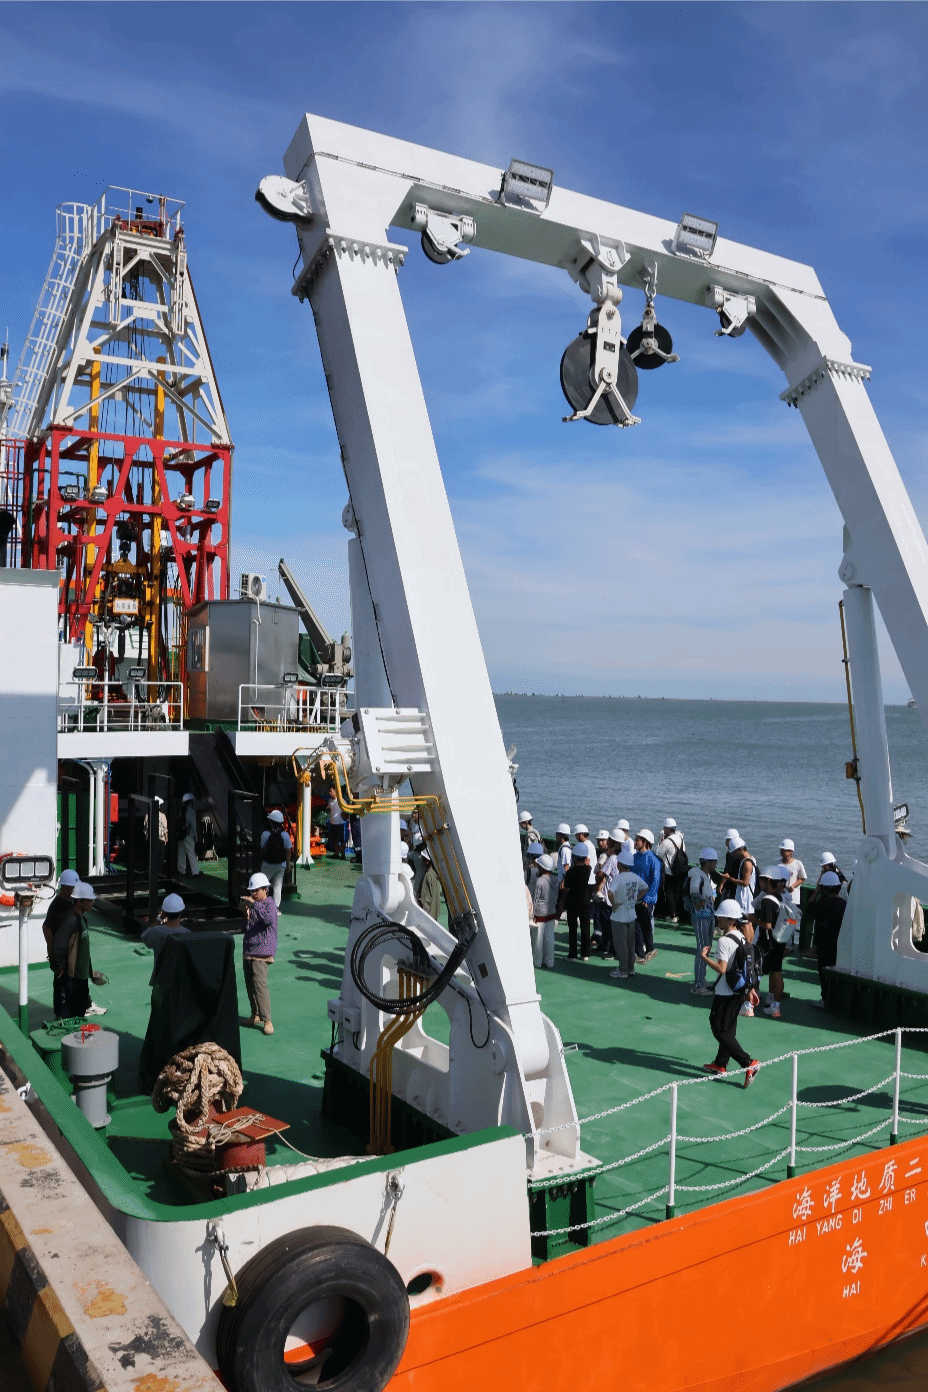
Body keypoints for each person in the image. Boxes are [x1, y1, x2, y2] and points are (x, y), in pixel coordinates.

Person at [700, 899, 760, 1086]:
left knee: (719, 1029)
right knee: (729, 1029)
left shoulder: (724, 941)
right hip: (739, 991)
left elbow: (722, 968)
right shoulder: (742, 938)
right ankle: (720, 1063)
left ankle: (748, 1063)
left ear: (730, 920)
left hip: (725, 993)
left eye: (722, 917)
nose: (718, 919)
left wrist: (704, 958)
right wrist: (750, 990)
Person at [50, 881, 97, 1019]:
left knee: (79, 1011)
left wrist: (89, 972)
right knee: (67, 1014)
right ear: (80, 901)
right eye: (90, 900)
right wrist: (60, 969)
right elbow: (58, 946)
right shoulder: (69, 921)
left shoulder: (81, 919)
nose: (92, 903)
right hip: (71, 977)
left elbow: (83, 948)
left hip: (81, 976)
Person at [240, 870, 278, 1035]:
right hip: (249, 950)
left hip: (261, 952)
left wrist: (253, 906)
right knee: (250, 984)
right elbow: (245, 928)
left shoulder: (269, 904)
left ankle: (267, 1020)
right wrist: (245, 915)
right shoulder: (254, 906)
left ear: (265, 889)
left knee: (260, 985)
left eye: (256, 890)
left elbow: (268, 919)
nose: (253, 894)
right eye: (251, 891)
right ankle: (255, 1014)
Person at [754, 864, 793, 1020]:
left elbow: (767, 925)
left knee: (755, 969)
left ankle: (751, 999)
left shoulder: (767, 900)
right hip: (779, 941)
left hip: (768, 943)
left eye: (762, 880)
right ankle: (775, 1005)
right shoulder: (780, 897)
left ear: (768, 881)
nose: (760, 883)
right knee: (777, 972)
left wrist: (753, 920)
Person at [607, 844, 648, 979]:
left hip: (619, 916)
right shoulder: (635, 877)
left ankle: (622, 970)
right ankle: (631, 968)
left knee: (621, 944)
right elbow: (645, 888)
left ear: (619, 864)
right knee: (631, 944)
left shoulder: (618, 878)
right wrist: (636, 898)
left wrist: (614, 904)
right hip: (631, 914)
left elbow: (610, 892)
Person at [811, 871, 846, 1008]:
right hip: (840, 945)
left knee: (823, 973)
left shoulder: (823, 903)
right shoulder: (844, 904)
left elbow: (809, 909)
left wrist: (816, 892)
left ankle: (825, 999)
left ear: (825, 888)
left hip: (825, 945)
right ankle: (836, 1000)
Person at [688, 849, 718, 996]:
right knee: (702, 949)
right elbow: (693, 890)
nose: (716, 864)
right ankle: (698, 985)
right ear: (708, 862)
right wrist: (699, 903)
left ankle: (702, 978)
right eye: (714, 861)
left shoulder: (705, 875)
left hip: (708, 916)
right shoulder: (697, 875)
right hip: (701, 917)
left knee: (707, 947)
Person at [141, 892, 192, 977]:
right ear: (181, 912)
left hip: (159, 977)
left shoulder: (156, 931)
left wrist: (159, 919)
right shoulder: (187, 934)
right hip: (179, 979)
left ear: (164, 912)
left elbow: (144, 937)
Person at [632, 829, 661, 962]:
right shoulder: (634, 857)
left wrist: (648, 898)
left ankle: (649, 949)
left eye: (637, 840)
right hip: (635, 899)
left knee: (644, 926)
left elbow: (655, 881)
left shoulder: (654, 860)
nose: (635, 842)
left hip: (645, 900)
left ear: (645, 842)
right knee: (636, 926)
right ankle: (640, 954)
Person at [563, 843, 593, 960]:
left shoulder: (570, 872)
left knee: (573, 928)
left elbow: (567, 887)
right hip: (585, 900)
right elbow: (588, 865)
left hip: (572, 901)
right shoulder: (588, 869)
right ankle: (585, 953)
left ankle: (573, 954)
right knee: (585, 927)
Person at [656, 818, 687, 923]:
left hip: (669, 871)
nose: (664, 830)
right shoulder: (681, 839)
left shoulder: (667, 842)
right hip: (679, 870)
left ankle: (672, 914)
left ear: (668, 829)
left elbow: (658, 854)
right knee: (676, 892)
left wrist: (661, 841)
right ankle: (676, 913)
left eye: (665, 828)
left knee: (668, 892)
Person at [592, 831, 618, 956]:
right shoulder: (620, 858)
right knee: (607, 923)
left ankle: (609, 948)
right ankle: (604, 945)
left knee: (607, 924)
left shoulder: (612, 859)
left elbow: (601, 874)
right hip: (615, 895)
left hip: (607, 897)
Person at [531, 853, 558, 970]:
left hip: (539, 914)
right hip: (551, 913)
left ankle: (537, 962)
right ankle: (550, 961)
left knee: (538, 940)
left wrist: (532, 914)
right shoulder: (556, 879)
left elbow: (536, 899)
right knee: (549, 938)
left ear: (542, 868)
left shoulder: (540, 881)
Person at [260, 809, 292, 908]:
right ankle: (275, 908)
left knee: (263, 885)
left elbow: (261, 848)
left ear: (271, 822)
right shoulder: (285, 835)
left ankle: (263, 906)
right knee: (277, 886)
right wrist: (288, 864)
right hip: (280, 865)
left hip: (267, 864)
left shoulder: (265, 834)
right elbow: (288, 850)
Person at [717, 835, 756, 916]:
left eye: (735, 852)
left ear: (740, 850)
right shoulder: (747, 859)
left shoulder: (747, 863)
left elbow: (745, 883)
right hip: (742, 897)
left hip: (746, 899)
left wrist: (729, 878)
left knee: (745, 921)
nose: (734, 855)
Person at [177, 792, 201, 877]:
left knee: (181, 853)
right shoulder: (191, 812)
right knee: (191, 854)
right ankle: (195, 872)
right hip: (188, 836)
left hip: (181, 835)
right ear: (191, 802)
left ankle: (181, 870)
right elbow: (194, 826)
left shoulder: (181, 811)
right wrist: (196, 837)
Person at [778, 839, 807, 906]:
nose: (782, 852)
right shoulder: (777, 864)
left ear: (790, 852)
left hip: (793, 898)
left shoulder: (797, 864)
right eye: (781, 850)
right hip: (780, 897)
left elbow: (802, 878)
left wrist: (793, 886)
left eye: (784, 850)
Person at [418, 847, 443, 923]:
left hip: (429, 915)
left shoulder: (428, 875)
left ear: (426, 861)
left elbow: (426, 899)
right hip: (434, 913)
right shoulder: (435, 873)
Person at [327, 787, 346, 858]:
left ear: (335, 791)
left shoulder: (341, 800)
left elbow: (345, 809)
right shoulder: (330, 801)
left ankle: (343, 854)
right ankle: (337, 853)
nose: (330, 793)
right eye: (329, 791)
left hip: (340, 823)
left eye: (331, 791)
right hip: (333, 823)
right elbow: (329, 809)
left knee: (342, 839)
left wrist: (344, 816)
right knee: (335, 839)